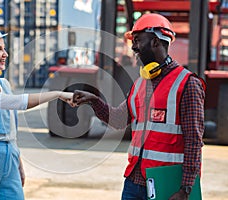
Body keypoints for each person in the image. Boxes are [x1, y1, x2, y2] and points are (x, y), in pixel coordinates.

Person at [73, 13, 205, 200]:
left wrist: (186, 189)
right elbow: (118, 120)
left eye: (137, 40)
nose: (133, 47)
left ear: (156, 42)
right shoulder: (140, 84)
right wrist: (94, 100)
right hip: (134, 181)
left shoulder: (187, 84)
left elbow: (194, 141)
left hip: (166, 184)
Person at [0, 22, 73, 200]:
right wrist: (58, 94)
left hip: (9, 158)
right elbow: (15, 103)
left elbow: (10, 126)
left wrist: (17, 160)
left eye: (4, 49)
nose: (5, 54)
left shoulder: (4, 84)